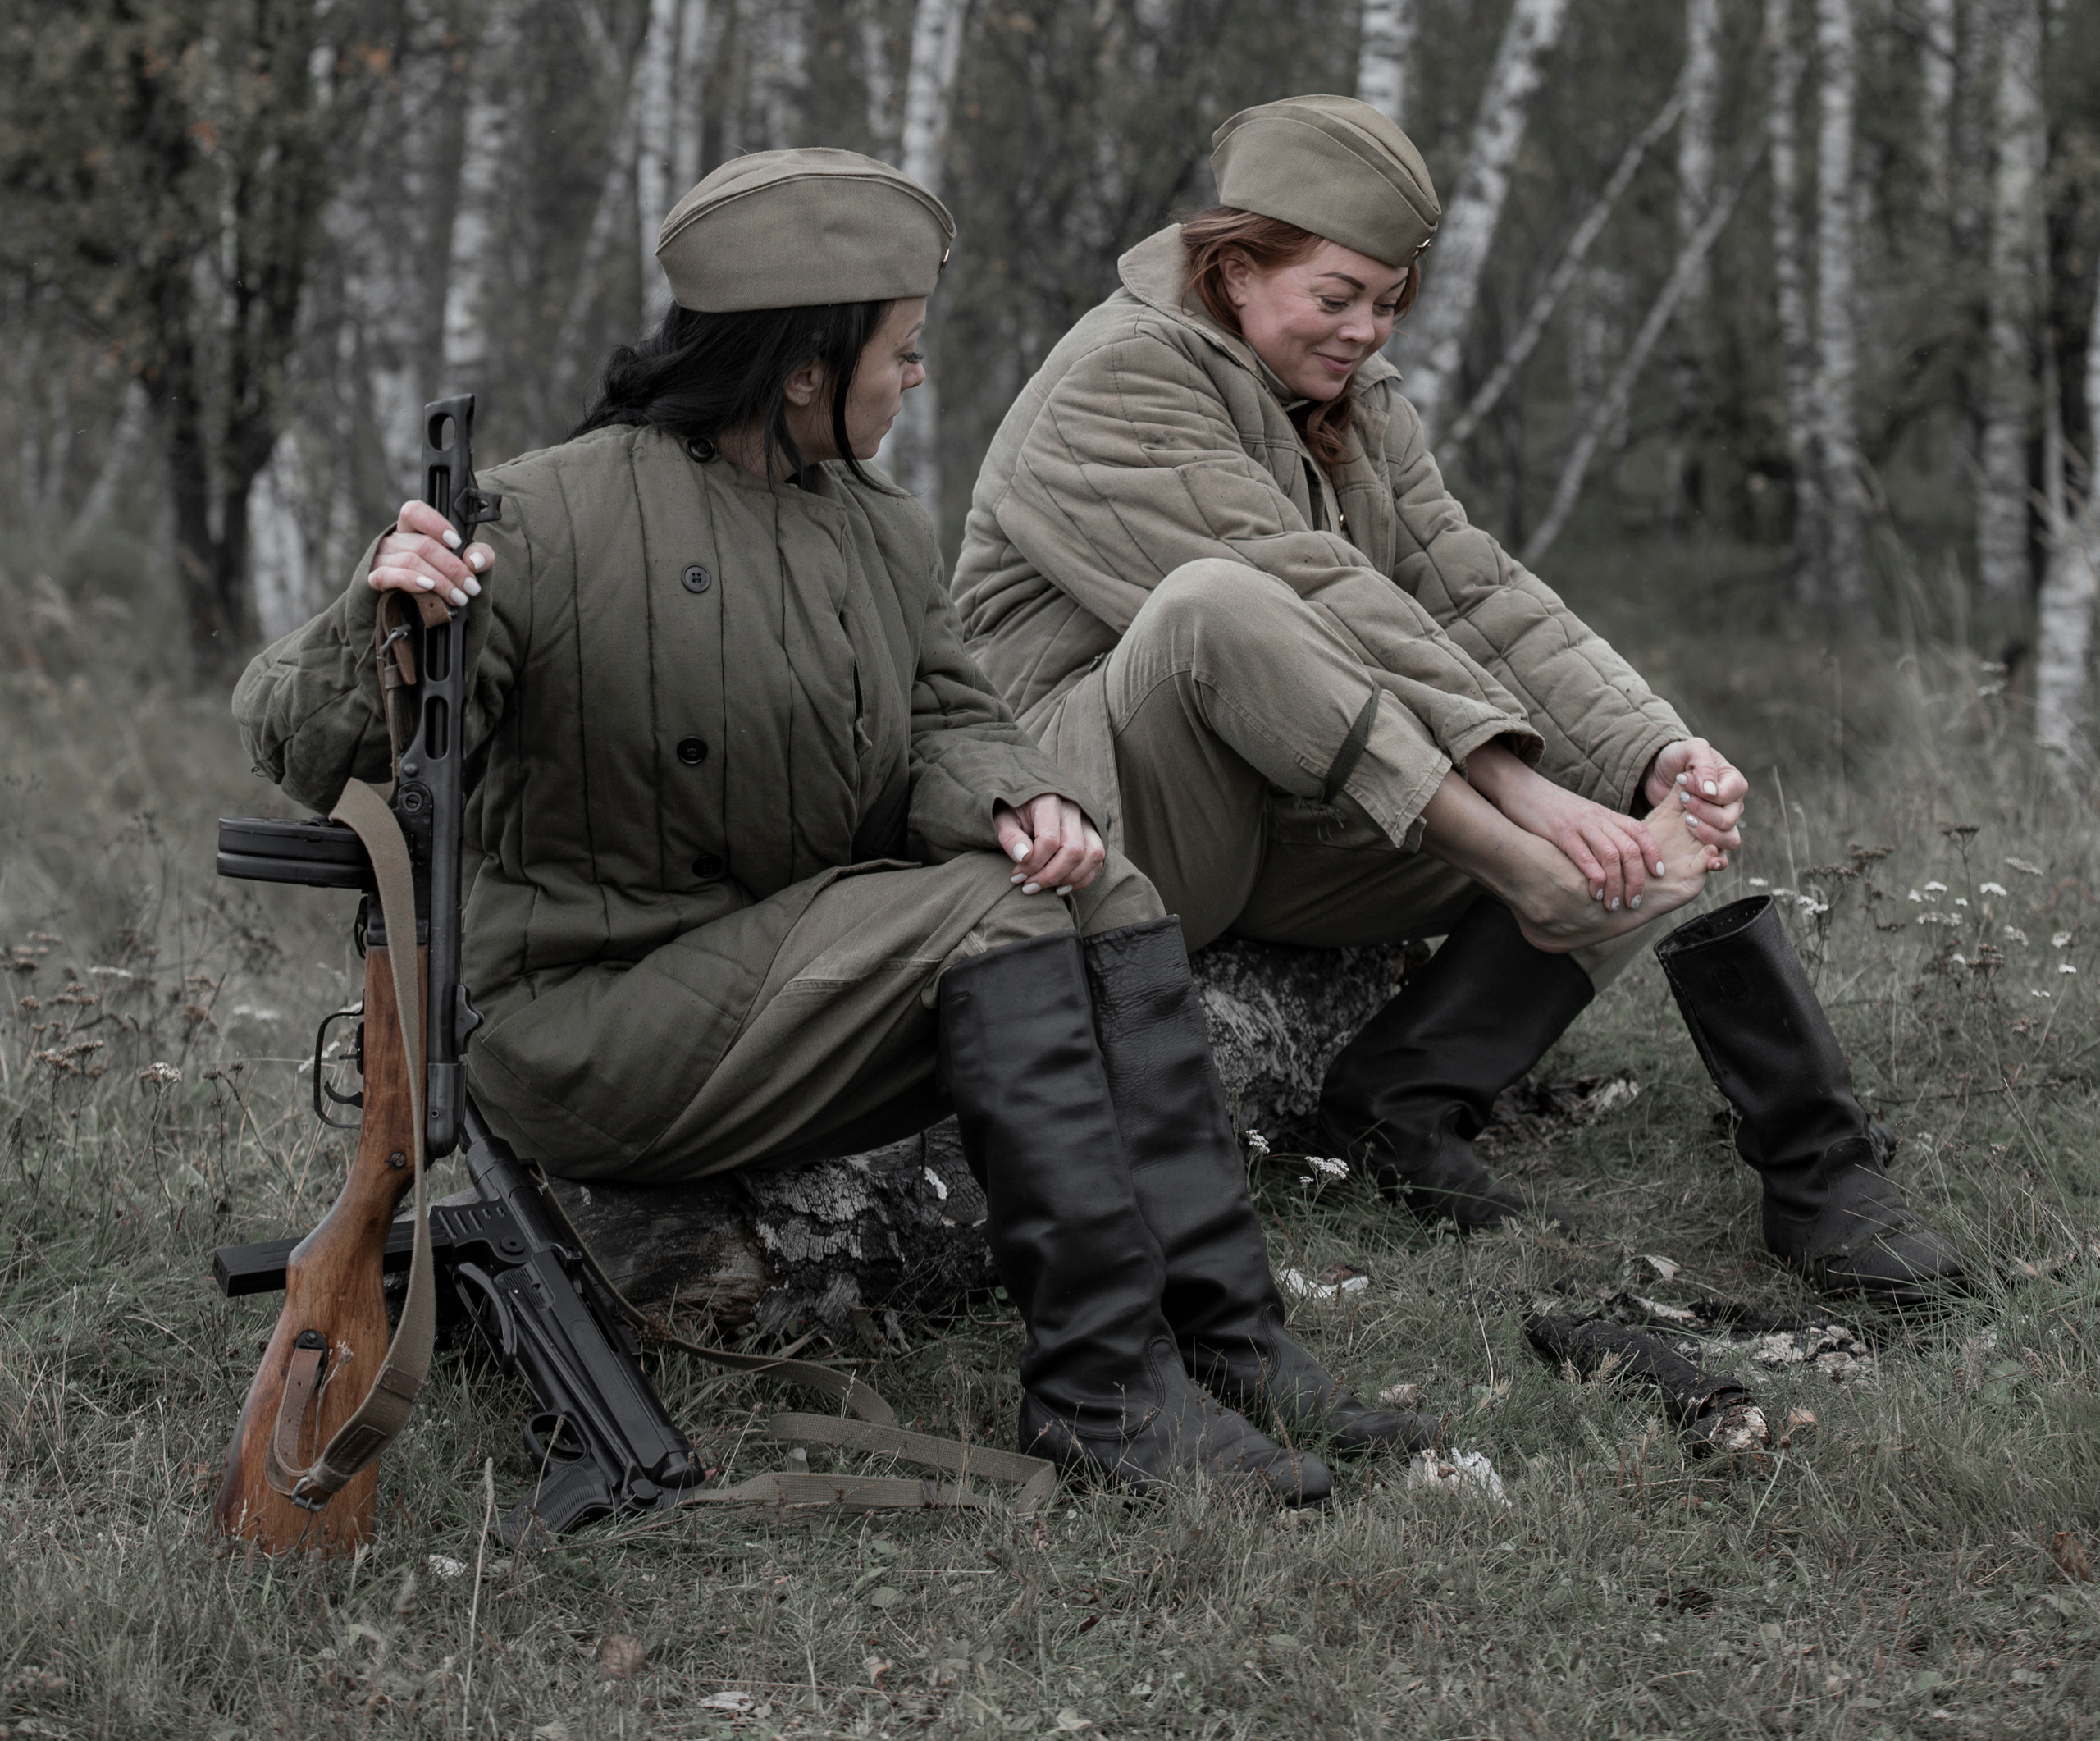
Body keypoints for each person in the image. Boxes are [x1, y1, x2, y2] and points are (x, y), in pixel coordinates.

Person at [231, 146, 1442, 1506]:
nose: (915, 379)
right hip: (590, 1019)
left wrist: (1021, 796)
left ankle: (1228, 1339)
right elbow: (295, 740)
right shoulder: (541, 516)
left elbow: (947, 718)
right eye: (902, 352)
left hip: (790, 970)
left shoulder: (877, 526)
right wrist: (382, 609)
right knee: (998, 914)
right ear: (806, 366)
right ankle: (1104, 1399)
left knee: (1097, 883)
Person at [952, 94, 1966, 1305]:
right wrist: (1509, 789)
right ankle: (1530, 877)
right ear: (1232, 269)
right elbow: (1303, 591)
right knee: (1215, 602)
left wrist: (1654, 751)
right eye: (1338, 298)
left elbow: (1472, 589)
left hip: (1280, 797)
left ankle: (1783, 1164)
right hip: (1098, 820)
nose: (1368, 332)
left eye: (1389, 303)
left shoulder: (1351, 407)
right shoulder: (1115, 379)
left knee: (1639, 804)